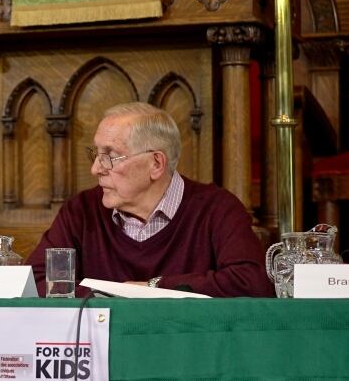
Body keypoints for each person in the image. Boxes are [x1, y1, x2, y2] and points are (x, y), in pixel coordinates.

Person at [26, 102, 275, 298]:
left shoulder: (217, 209)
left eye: (110, 156)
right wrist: (117, 297)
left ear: (156, 164)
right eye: (96, 153)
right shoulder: (81, 211)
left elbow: (250, 281)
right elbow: (36, 280)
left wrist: (154, 287)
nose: (95, 169)